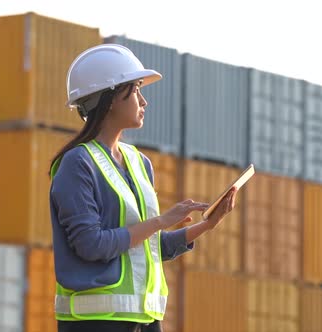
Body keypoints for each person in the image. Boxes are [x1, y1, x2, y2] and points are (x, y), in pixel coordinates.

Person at [48, 44, 238, 332]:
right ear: (110, 97)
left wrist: (207, 225)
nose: (144, 101)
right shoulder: (77, 164)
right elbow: (92, 245)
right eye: (136, 89)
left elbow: (146, 247)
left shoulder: (140, 163)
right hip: (95, 325)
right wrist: (161, 221)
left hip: (145, 322)